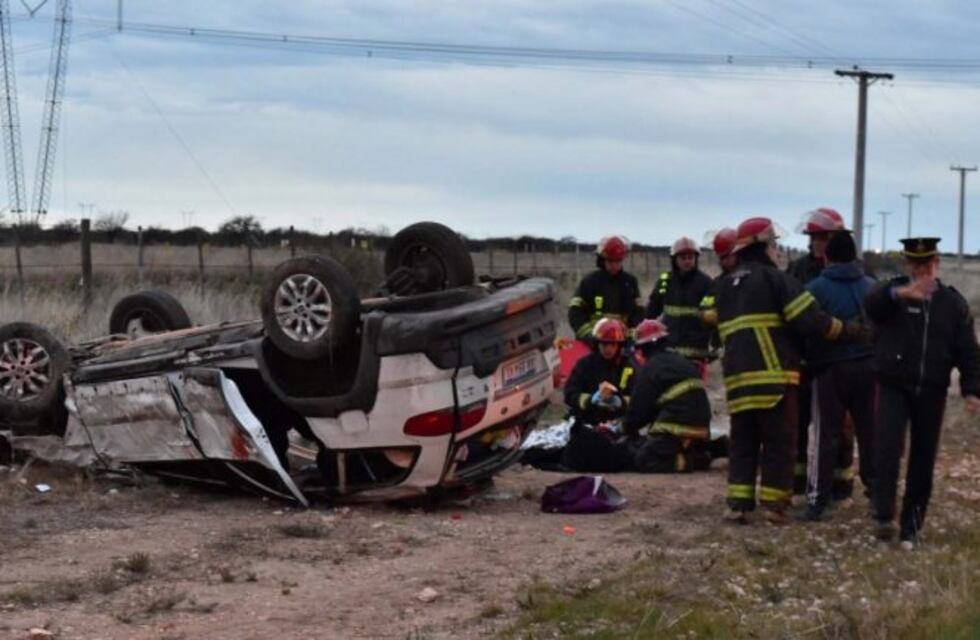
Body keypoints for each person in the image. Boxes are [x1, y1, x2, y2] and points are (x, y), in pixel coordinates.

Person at [711, 217, 864, 523]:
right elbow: (810, 320)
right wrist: (849, 330)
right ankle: (774, 507)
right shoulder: (776, 280)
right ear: (762, 247)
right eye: (773, 245)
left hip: (738, 380)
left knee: (743, 442)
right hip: (775, 377)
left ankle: (738, 505)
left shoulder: (724, 285)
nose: (777, 250)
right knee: (779, 442)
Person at [864, 237, 980, 545]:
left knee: (923, 459)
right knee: (887, 449)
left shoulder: (952, 304)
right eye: (915, 265)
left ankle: (912, 526)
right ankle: (883, 515)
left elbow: (968, 350)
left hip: (932, 389)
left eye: (927, 265)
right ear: (907, 265)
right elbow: (872, 304)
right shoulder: (892, 293)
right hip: (893, 384)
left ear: (936, 265)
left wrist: (972, 390)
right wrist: (900, 294)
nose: (921, 272)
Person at [800, 231, 876, 521]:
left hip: (829, 372)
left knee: (825, 436)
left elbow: (803, 328)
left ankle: (817, 503)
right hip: (869, 370)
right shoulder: (872, 288)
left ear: (827, 257)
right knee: (870, 434)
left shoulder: (814, 289)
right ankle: (879, 497)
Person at [786, 207, 850, 496]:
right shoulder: (797, 270)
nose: (818, 243)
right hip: (803, 358)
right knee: (797, 422)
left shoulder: (854, 269)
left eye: (824, 237)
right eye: (814, 237)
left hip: (837, 360)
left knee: (839, 426)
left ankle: (840, 482)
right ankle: (798, 479)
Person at [623, 318, 713, 473]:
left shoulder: (652, 367)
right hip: (702, 428)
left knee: (644, 459)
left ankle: (693, 461)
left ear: (645, 347)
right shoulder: (682, 361)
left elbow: (640, 409)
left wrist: (625, 427)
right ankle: (712, 448)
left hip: (676, 427)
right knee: (652, 445)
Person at [561, 318, 635, 471]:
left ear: (619, 345)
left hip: (617, 427)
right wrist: (590, 400)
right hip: (587, 423)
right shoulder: (585, 365)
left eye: (612, 345)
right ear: (597, 344)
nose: (608, 349)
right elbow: (569, 393)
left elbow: (639, 398)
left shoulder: (629, 367)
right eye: (604, 344)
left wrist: (620, 402)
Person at [647, 237, 714, 371]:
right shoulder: (665, 282)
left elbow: (713, 317)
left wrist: (715, 343)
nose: (687, 261)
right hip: (668, 350)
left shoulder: (706, 283)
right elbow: (651, 311)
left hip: (696, 353)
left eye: (690, 257)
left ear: (696, 259)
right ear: (675, 259)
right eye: (683, 258)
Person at [568, 235, 645, 340]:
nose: (614, 265)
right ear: (602, 260)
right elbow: (575, 312)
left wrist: (631, 333)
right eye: (610, 261)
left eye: (618, 261)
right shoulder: (590, 282)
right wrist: (587, 335)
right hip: (593, 341)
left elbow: (639, 312)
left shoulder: (630, 282)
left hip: (621, 341)